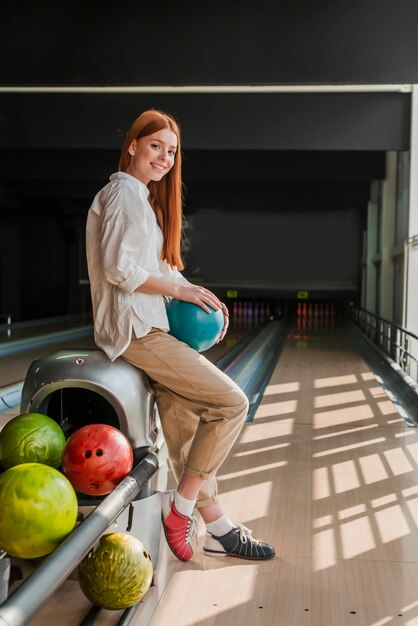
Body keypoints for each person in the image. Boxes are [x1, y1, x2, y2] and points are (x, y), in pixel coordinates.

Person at [86, 109, 275, 562]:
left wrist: (203, 299)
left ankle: (220, 529)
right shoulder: (122, 195)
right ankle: (182, 508)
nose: (164, 157)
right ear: (133, 145)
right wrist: (179, 288)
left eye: (171, 151)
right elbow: (119, 268)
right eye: (156, 146)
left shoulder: (142, 201)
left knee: (185, 424)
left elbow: (157, 267)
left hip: (150, 327)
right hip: (137, 332)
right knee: (231, 404)